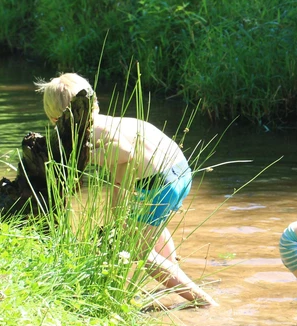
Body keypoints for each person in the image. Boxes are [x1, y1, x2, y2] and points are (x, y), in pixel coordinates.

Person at [35, 73, 217, 307]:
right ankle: (173, 273)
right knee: (151, 226)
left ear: (54, 118)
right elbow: (121, 170)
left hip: (157, 184)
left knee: (141, 252)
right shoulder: (112, 121)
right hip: (180, 171)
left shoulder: (89, 133)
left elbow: (124, 153)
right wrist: (117, 208)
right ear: (95, 103)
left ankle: (203, 302)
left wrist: (89, 155)